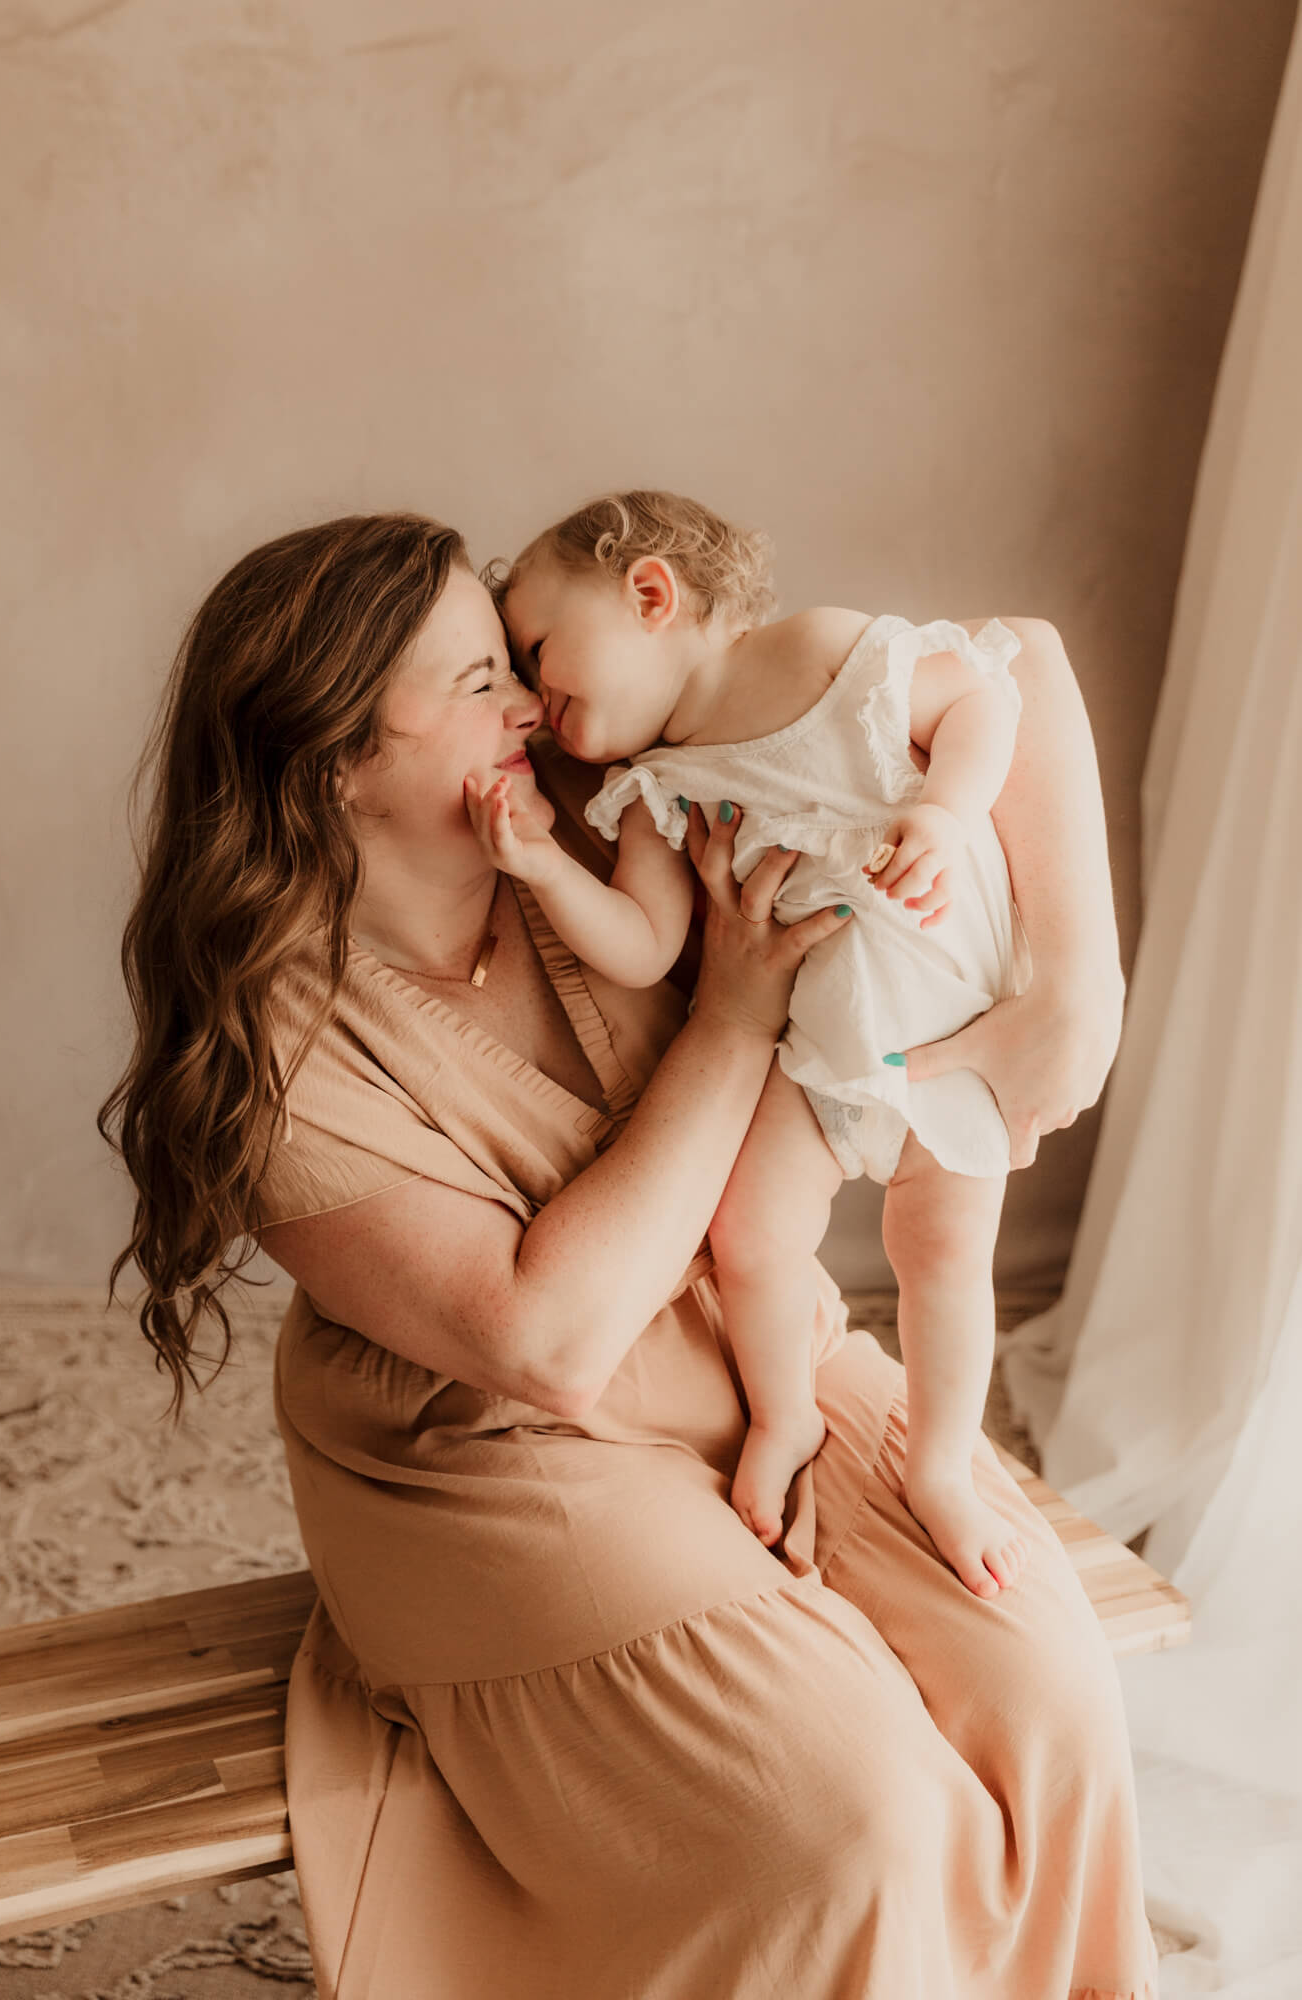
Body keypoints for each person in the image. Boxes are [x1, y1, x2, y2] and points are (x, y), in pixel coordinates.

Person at [101, 512, 1158, 1999]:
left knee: (1050, 1699)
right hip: (501, 1457)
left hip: (748, 1336)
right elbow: (546, 1340)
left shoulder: (600, 811)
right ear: (335, 761)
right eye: (477, 682)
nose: (528, 703)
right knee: (858, 1818)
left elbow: (1009, 668)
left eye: (511, 664)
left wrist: (1077, 983)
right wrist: (729, 1021)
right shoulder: (271, 1053)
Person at [490, 489, 1036, 1575]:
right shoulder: (652, 789)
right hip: (820, 1047)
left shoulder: (827, 653)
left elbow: (981, 702)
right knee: (749, 1236)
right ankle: (783, 1416)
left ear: (650, 592)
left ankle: (939, 1465)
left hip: (951, 1028)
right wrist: (546, 865)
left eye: (537, 648)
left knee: (943, 1253)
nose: (525, 689)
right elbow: (646, 945)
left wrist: (946, 810)